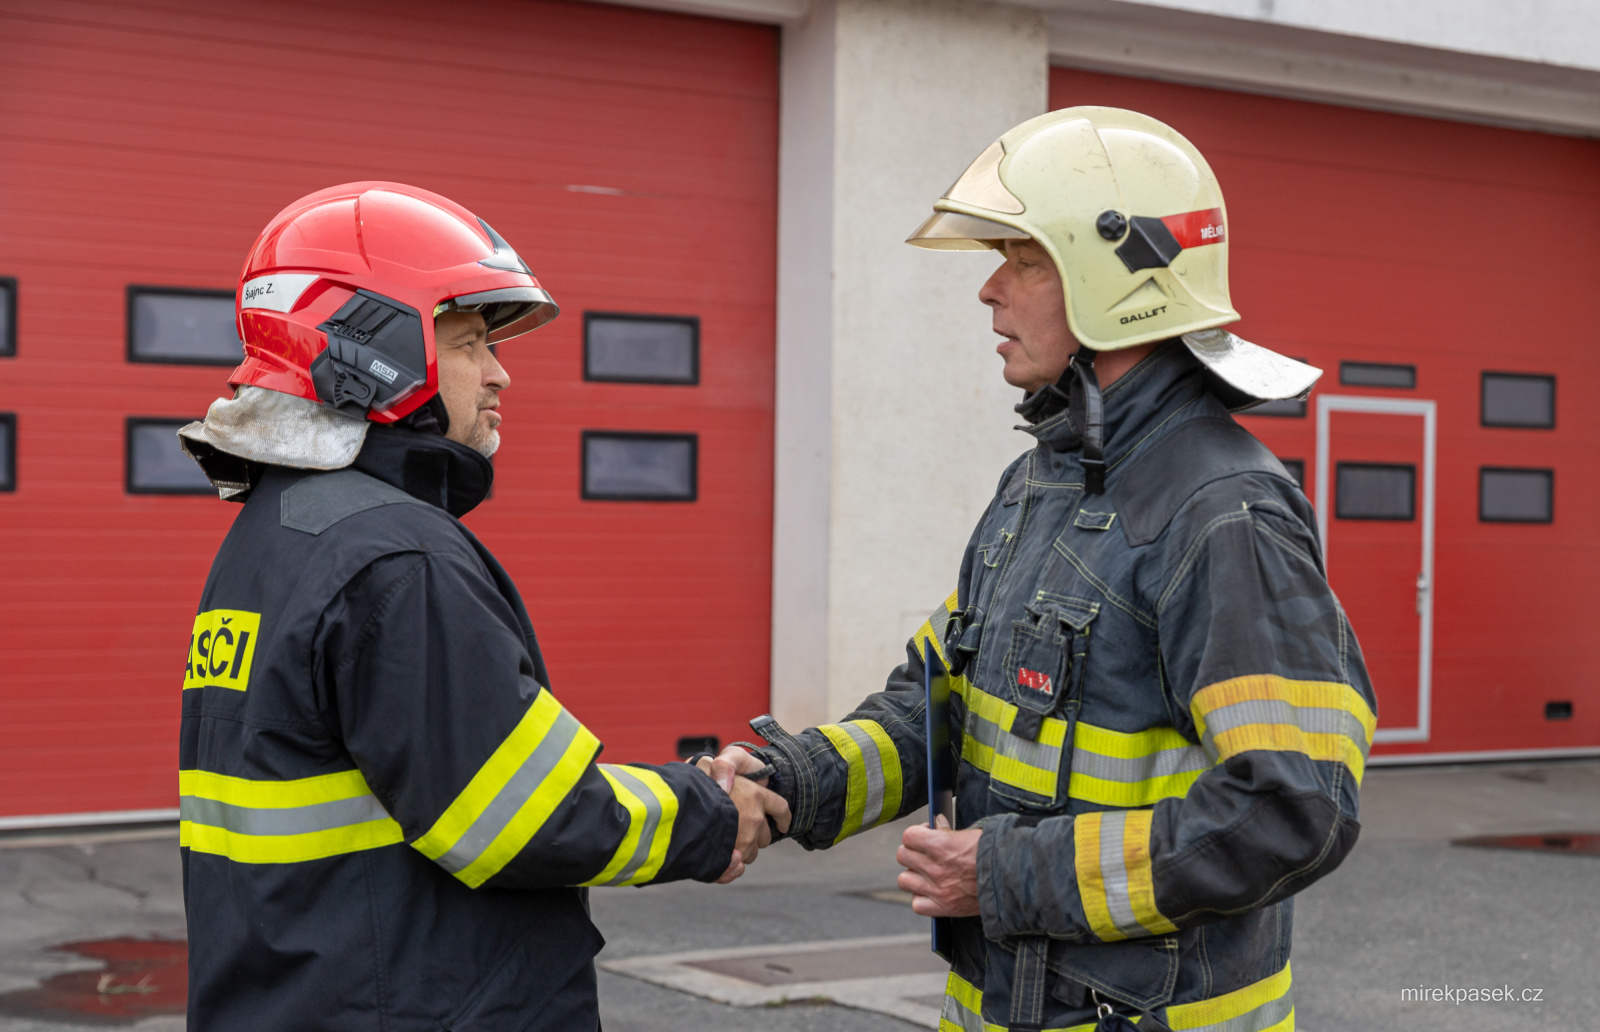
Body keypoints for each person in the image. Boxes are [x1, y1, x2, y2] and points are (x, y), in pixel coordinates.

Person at [710, 108, 1377, 1031]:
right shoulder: (1036, 486)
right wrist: (790, 784)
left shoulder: (1224, 512)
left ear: (1114, 281)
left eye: (1023, 260)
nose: (990, 290)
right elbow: (934, 706)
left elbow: (1293, 807)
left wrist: (1004, 872)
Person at [176, 182, 789, 1032]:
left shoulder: (277, 534)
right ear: (373, 348)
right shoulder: (396, 555)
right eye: (467, 343)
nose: (500, 373)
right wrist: (714, 812)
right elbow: (524, 817)